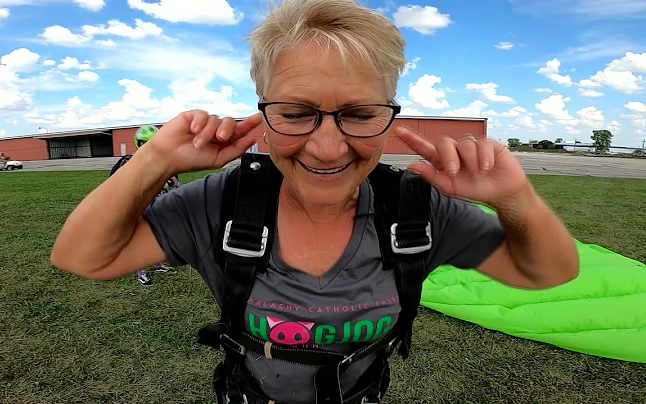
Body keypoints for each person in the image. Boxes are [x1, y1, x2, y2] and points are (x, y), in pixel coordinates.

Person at [50, 0, 579, 402]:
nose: (327, 147)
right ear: (260, 109)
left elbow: (546, 273)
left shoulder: (416, 208)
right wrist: (154, 160)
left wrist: (515, 197)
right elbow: (84, 257)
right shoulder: (225, 202)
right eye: (296, 111)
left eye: (361, 113)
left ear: (389, 112)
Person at [108, 124, 179, 286]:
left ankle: (158, 265)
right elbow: (115, 185)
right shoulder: (129, 162)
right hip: (137, 208)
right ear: (138, 144)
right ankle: (141, 272)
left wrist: (171, 179)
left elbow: (175, 185)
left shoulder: (164, 162)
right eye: (145, 143)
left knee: (158, 237)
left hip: (158, 206)